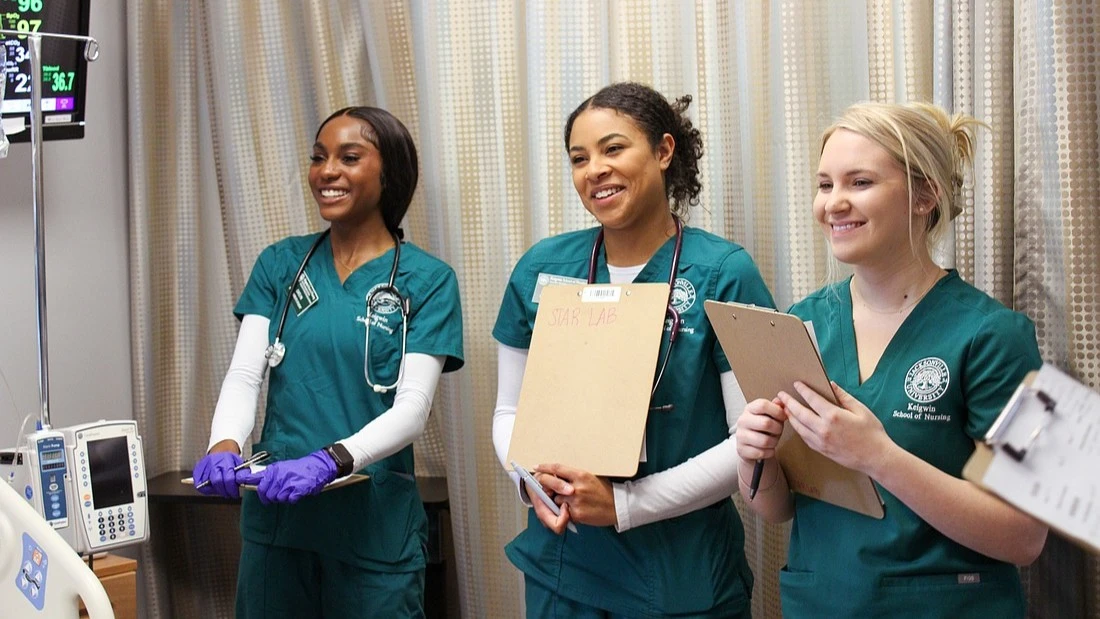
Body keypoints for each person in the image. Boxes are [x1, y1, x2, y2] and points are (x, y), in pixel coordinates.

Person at [734, 101, 1049, 617]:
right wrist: (754, 455)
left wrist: (878, 455)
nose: (833, 203)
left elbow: (1025, 538)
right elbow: (779, 509)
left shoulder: (999, 336)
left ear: (926, 195)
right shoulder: (800, 322)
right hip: (822, 601)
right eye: (824, 184)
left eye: (859, 183)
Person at [492, 82, 775, 618]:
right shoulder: (542, 269)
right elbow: (510, 411)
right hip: (565, 563)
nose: (594, 168)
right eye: (579, 158)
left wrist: (624, 504)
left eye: (613, 148)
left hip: (678, 573)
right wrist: (529, 482)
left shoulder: (723, 272)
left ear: (664, 151)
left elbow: (750, 439)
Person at [191, 106, 464, 618]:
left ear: (391, 174)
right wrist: (224, 443)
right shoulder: (282, 264)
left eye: (349, 157)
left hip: (373, 532)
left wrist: (329, 461)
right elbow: (246, 375)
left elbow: (412, 411)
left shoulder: (428, 282)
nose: (327, 171)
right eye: (319, 157)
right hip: (278, 528)